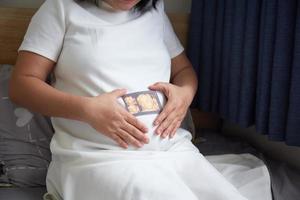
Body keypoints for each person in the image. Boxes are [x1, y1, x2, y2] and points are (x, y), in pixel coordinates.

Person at [8, 0, 249, 199]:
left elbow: (183, 71)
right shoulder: (60, 8)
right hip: (98, 157)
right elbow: (21, 85)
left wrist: (184, 94)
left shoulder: (155, 11)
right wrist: (87, 109)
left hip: (172, 150)